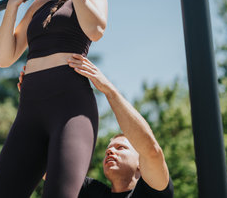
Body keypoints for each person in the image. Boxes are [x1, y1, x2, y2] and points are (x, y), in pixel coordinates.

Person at [0, 0, 108, 198]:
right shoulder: (39, 5)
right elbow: (5, 58)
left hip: (70, 106)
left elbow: (96, 30)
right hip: (30, 109)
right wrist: (13, 5)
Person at [68, 54, 174, 197]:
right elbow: (44, 168)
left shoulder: (152, 191)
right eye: (108, 151)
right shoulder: (92, 192)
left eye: (121, 148)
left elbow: (151, 151)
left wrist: (109, 91)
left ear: (140, 164)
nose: (110, 152)